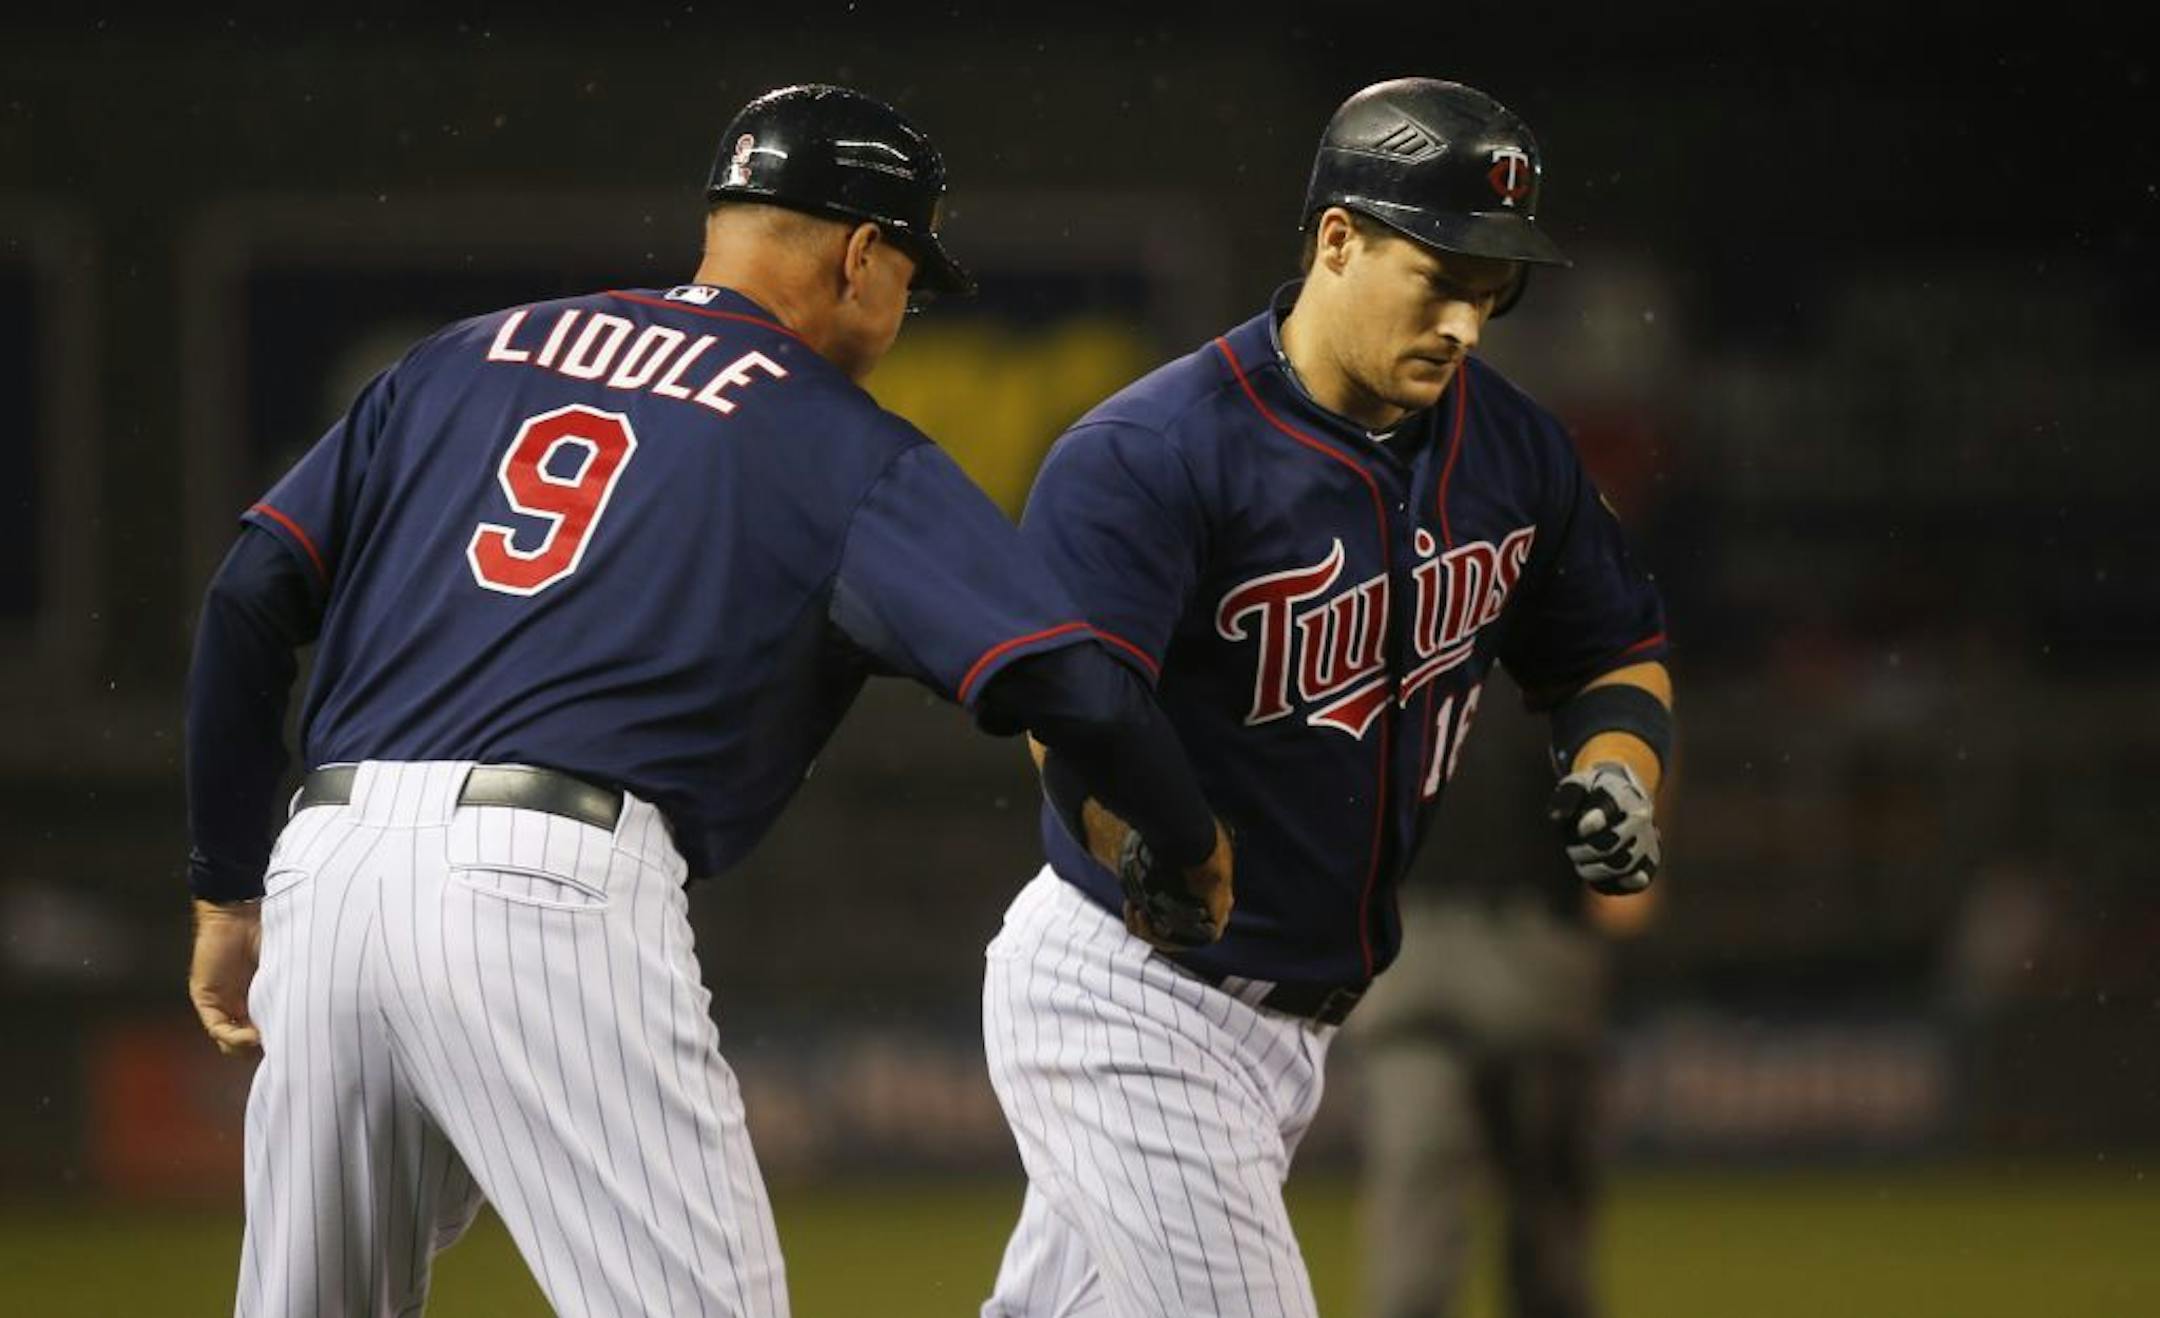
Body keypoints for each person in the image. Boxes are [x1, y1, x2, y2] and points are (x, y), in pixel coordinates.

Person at [184, 83, 1229, 1318]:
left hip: (327, 864)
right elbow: (1070, 679)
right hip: (544, 883)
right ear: (861, 255)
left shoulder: (464, 355)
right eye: (909, 279)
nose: (902, 313)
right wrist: (1187, 830)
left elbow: (249, 595)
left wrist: (223, 886)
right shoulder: (836, 439)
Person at [979, 77, 1673, 1318]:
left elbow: (1610, 648)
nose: (1468, 319)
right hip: (1130, 992)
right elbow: (1071, 707)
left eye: (1494, 286)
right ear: (1337, 239)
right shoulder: (1154, 451)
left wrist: (1618, 762)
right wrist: (1133, 833)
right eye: (1443, 275)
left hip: (1291, 1028)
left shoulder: (1513, 450)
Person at [1348, 700, 1659, 1318]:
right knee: (1438, 1191)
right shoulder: (1567, 659)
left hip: (1513, 944)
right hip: (1451, 942)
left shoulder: (1564, 656)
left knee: (1529, 1214)